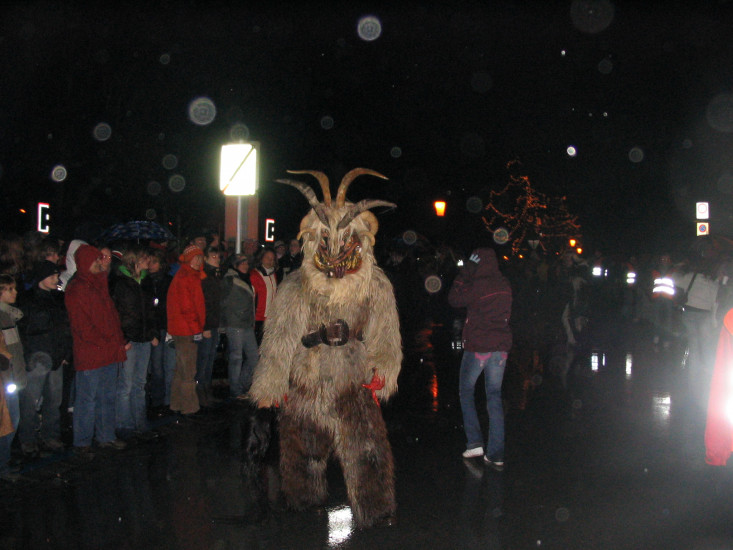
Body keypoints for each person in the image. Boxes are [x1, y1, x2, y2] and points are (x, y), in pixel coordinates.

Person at [448, 248, 512, 471]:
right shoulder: (504, 284)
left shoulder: (477, 285)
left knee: (466, 391)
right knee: (494, 396)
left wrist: (465, 272)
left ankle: (475, 442)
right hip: (500, 347)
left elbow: (454, 299)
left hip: (478, 346)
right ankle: (496, 454)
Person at [65, 245, 129, 455]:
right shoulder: (77, 288)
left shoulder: (99, 284)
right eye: (96, 260)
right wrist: (107, 342)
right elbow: (82, 326)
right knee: (87, 399)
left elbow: (111, 317)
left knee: (107, 396)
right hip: (91, 353)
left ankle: (105, 436)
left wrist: (118, 341)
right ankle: (82, 441)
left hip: (107, 351)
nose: (100, 263)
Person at [17, 261, 71, 456]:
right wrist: (27, 357)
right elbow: (22, 331)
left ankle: (50, 435)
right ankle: (28, 439)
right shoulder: (28, 300)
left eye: (57, 276)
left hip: (56, 356)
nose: (56, 280)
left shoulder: (58, 298)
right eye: (52, 276)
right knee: (30, 401)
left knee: (54, 400)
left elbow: (66, 328)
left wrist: (65, 353)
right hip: (37, 357)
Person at [110, 245, 159, 439]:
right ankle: (124, 424)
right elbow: (117, 313)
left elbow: (151, 310)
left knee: (140, 383)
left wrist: (152, 333)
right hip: (130, 339)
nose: (148, 261)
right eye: (145, 258)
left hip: (144, 338)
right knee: (126, 384)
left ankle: (140, 422)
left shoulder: (146, 282)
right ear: (136, 260)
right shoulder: (121, 283)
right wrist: (123, 338)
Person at [167, 245, 206, 416]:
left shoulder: (188, 275)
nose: (198, 261)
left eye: (200, 258)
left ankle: (176, 403)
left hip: (182, 328)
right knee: (189, 371)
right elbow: (187, 307)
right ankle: (190, 407)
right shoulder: (186, 277)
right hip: (186, 330)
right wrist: (196, 330)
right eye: (195, 258)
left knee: (180, 369)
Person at [0, 274, 27, 479]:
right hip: (5, 378)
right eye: (10, 289)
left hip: (12, 376)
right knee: (8, 421)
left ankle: (5, 461)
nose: (15, 292)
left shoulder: (10, 316)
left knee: (12, 420)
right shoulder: (3, 318)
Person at [220, 254, 258, 398]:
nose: (245, 265)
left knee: (253, 357)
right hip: (235, 323)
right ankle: (235, 390)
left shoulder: (245, 279)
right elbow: (222, 301)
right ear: (235, 265)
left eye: (246, 262)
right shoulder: (229, 280)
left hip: (246, 323)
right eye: (242, 263)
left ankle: (243, 384)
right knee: (236, 357)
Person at [144, 248, 175, 415]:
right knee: (156, 367)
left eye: (154, 262)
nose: (151, 265)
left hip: (168, 327)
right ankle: (157, 400)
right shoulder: (146, 281)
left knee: (169, 366)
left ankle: (168, 400)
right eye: (149, 262)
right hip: (154, 328)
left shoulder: (169, 281)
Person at [195, 245, 223, 408]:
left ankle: (206, 390)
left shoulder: (214, 276)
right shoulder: (204, 277)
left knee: (210, 359)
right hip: (207, 325)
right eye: (213, 256)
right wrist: (204, 326)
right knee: (203, 359)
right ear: (205, 259)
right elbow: (203, 303)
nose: (217, 259)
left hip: (213, 323)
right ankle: (200, 392)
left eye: (218, 256)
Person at [250, 247, 278, 344]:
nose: (270, 261)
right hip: (258, 317)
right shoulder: (254, 275)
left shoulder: (273, 274)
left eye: (272, 259)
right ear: (261, 258)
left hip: (270, 316)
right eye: (267, 258)